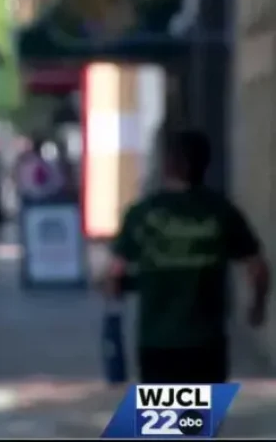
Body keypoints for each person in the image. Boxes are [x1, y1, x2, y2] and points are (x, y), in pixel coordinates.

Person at [102, 129, 271, 383]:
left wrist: (126, 287)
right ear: (205, 165)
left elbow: (114, 275)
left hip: (157, 342)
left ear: (167, 164)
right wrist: (257, 307)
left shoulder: (141, 213)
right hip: (207, 342)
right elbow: (258, 269)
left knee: (164, 421)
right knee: (198, 421)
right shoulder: (221, 211)